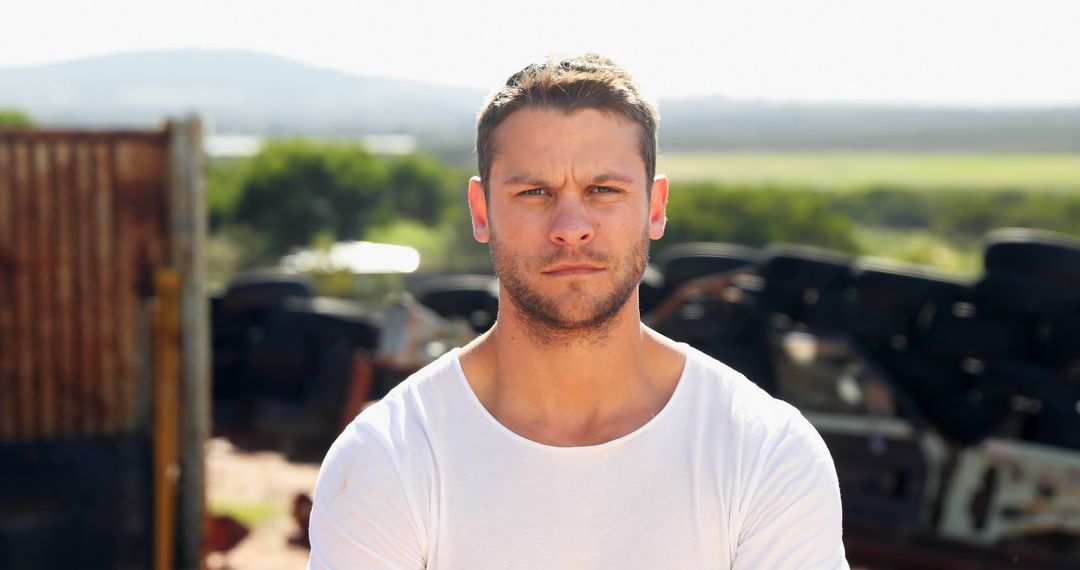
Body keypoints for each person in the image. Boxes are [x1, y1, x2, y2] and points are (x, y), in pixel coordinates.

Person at [307, 53, 847, 569]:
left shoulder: (765, 452)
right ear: (482, 210)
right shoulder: (388, 457)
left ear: (655, 208)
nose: (571, 225)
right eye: (535, 191)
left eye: (603, 190)